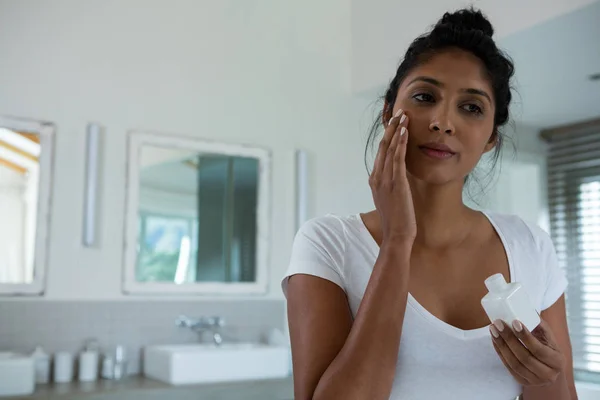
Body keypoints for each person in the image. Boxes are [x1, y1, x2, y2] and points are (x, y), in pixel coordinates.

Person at [282, 8, 577, 400]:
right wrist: (397, 241)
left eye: (471, 107)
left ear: (491, 137)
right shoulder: (327, 244)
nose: (443, 121)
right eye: (425, 97)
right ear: (390, 112)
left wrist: (547, 374)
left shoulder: (531, 246)